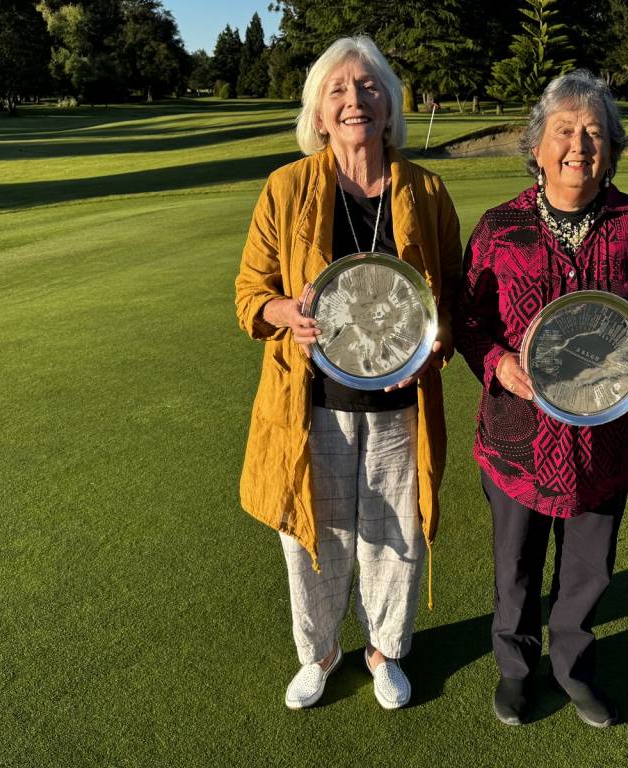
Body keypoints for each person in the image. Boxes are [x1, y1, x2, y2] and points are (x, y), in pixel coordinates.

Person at [234, 35, 461, 711]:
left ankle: (385, 650)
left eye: (368, 88)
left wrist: (435, 341)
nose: (354, 99)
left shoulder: (425, 189)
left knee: (396, 537)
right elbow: (250, 293)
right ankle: (322, 652)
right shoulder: (287, 188)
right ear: (319, 112)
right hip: (312, 406)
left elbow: (452, 297)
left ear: (389, 105)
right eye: (338, 90)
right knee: (316, 535)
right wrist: (285, 312)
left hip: (399, 405)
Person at [454, 69, 628, 728]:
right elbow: (467, 319)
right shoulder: (501, 227)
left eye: (594, 132)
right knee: (516, 571)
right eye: (564, 130)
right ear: (537, 144)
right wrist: (498, 364)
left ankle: (573, 669)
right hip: (518, 438)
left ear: (611, 146)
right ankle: (517, 670)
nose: (578, 144)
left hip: (607, 432)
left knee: (589, 570)